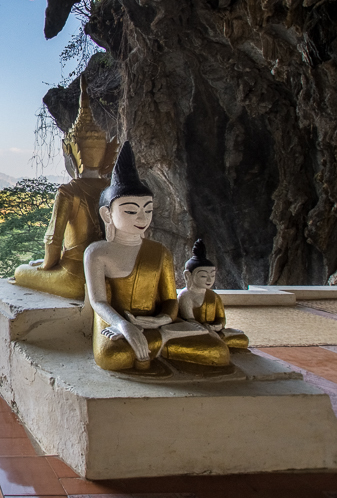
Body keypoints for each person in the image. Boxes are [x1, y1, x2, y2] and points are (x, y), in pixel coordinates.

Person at [83, 141, 230, 372]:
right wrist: (124, 325)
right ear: (107, 214)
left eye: (148, 210)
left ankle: (154, 346)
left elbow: (171, 300)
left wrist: (161, 320)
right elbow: (98, 302)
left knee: (218, 353)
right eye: (130, 210)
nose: (142, 218)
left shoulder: (159, 252)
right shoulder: (97, 252)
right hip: (117, 324)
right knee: (115, 357)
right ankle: (151, 347)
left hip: (159, 325)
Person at [14, 77, 118, 299]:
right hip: (113, 275)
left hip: (78, 276)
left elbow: (53, 240)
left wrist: (45, 266)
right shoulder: (115, 190)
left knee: (21, 272)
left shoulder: (69, 191)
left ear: (71, 152)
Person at [178, 239, 249, 349]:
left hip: (213, 330)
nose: (209, 279)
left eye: (212, 275)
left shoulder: (214, 296)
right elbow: (189, 321)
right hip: (195, 332)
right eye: (203, 276)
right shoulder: (185, 296)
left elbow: (221, 319)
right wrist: (206, 329)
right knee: (211, 344)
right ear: (188, 276)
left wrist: (216, 327)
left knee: (242, 339)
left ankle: (217, 341)